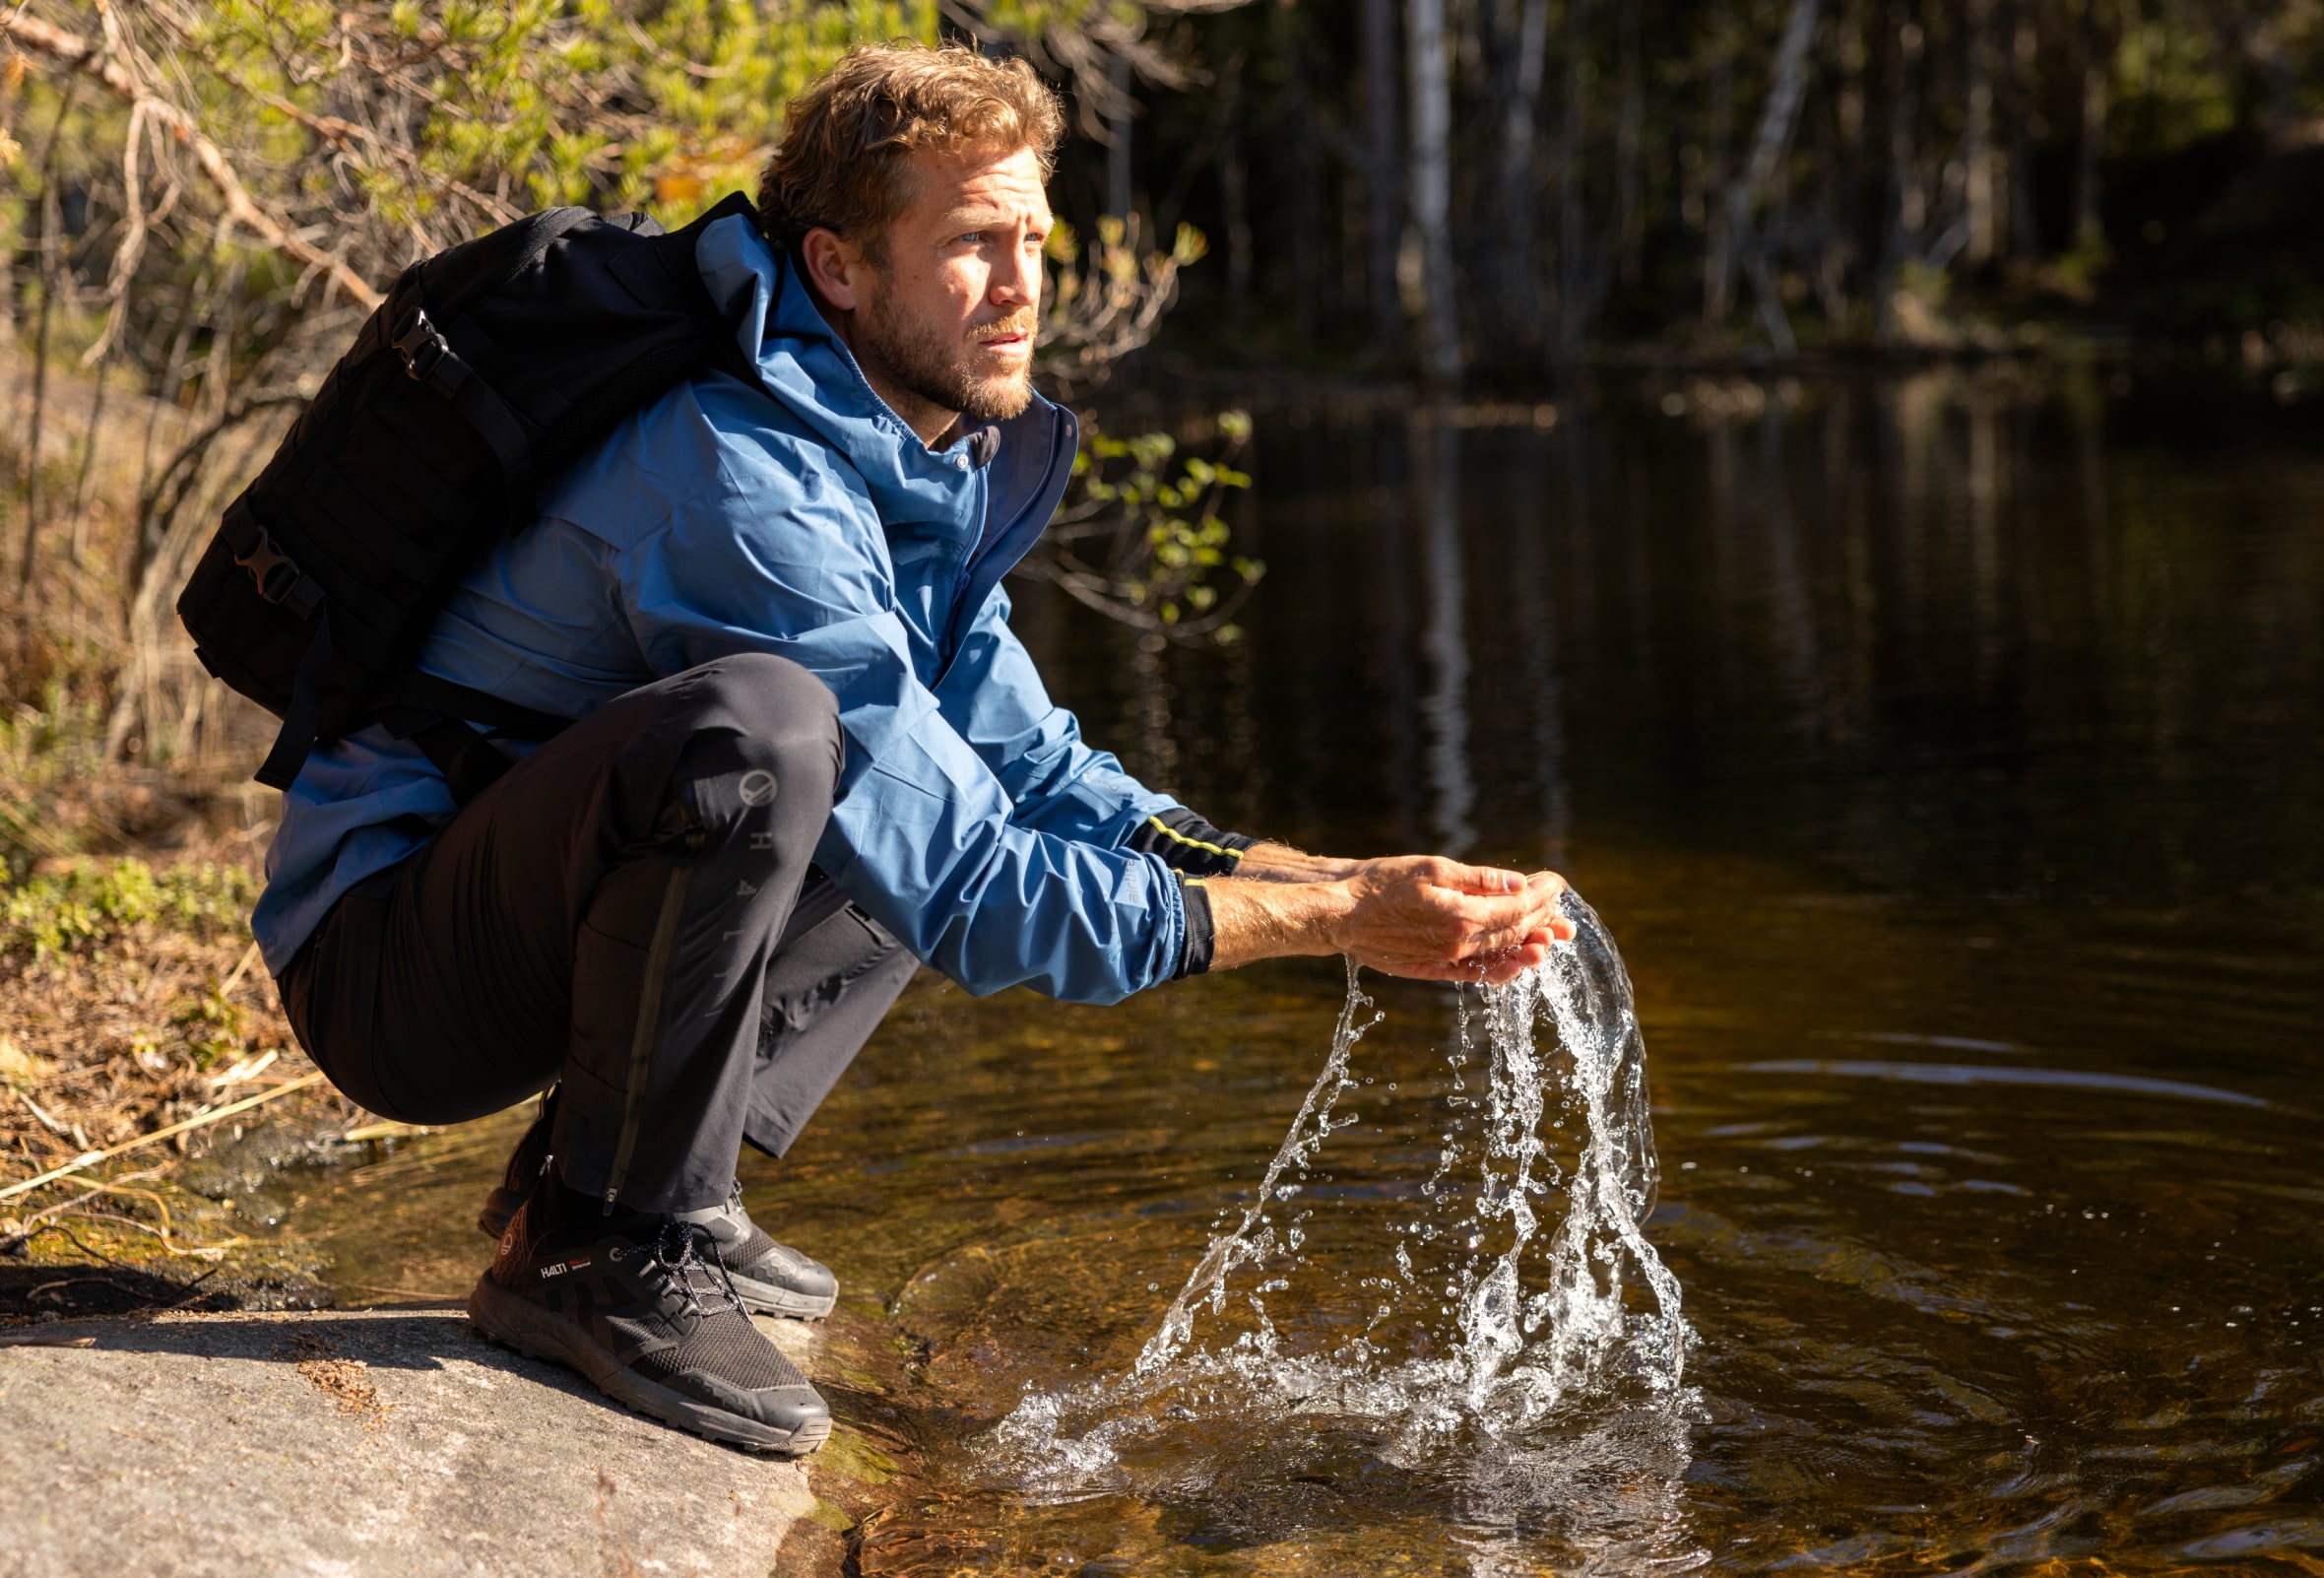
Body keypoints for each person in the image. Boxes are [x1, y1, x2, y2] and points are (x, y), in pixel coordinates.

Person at [257, 41, 1573, 1457]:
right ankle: (598, 1249)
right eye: (968, 244)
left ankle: (604, 1189)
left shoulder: (898, 462)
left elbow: (1044, 778)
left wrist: (1341, 874)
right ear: (837, 267)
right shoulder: (743, 479)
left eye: (1032, 241)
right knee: (761, 741)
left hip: (505, 910)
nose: (1019, 287)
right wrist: (1323, 924)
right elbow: (982, 894)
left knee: (923, 773)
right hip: (389, 962)